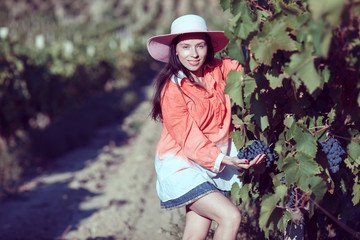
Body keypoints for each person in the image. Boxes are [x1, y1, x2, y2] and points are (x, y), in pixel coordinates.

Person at [147, 14, 266, 240]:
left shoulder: (219, 70)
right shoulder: (172, 89)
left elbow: (251, 68)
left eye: (200, 46)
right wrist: (225, 160)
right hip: (182, 165)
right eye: (186, 47)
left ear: (208, 47)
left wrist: (263, 43)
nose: (194, 54)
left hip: (210, 165)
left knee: (195, 235)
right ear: (175, 50)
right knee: (230, 217)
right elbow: (190, 140)